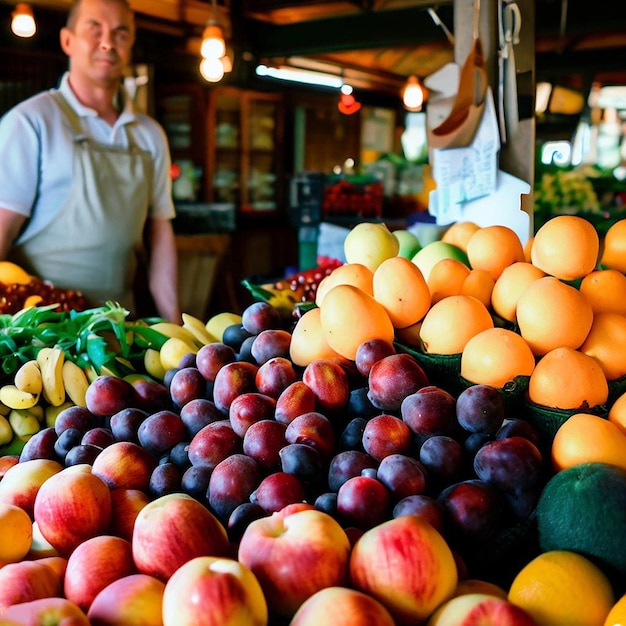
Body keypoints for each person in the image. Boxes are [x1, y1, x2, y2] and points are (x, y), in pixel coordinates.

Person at [0, 0, 181, 323]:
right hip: (41, 332)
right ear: (67, 40)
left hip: (121, 327)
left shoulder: (150, 135)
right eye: (94, 29)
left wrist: (176, 326)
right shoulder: (31, 122)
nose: (108, 42)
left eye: (120, 33)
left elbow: (160, 234)